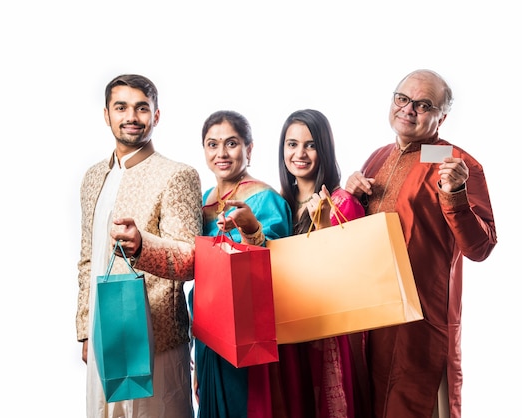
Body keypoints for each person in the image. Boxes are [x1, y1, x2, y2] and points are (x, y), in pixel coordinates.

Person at [345, 69, 497, 417]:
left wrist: (455, 194)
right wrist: (346, 193)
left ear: (442, 116)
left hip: (420, 322)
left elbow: (481, 247)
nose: (408, 109)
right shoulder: (378, 157)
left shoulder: (457, 163)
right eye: (403, 99)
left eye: (424, 104)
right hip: (370, 316)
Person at [75, 74, 202, 418]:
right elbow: (87, 258)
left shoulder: (177, 175)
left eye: (141, 108)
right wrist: (86, 331)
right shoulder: (92, 178)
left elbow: (192, 259)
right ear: (107, 115)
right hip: (105, 337)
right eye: (121, 107)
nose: (131, 116)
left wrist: (143, 245)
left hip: (155, 340)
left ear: (156, 116)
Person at [189, 110, 292, 418]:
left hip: (246, 332)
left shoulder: (264, 198)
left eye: (231, 143)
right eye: (212, 144)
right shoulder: (204, 199)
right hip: (208, 332)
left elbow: (275, 265)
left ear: (249, 148)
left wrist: (250, 230)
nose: (221, 153)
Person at [271, 108, 368, 418]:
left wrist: (324, 225)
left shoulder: (342, 201)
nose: (299, 153)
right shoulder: (278, 204)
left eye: (310, 144)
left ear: (324, 148)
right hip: (285, 332)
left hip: (327, 335)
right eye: (292, 144)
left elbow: (349, 277)